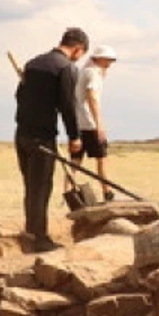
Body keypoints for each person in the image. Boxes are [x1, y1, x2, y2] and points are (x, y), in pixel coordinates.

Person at [14, 27, 88, 252]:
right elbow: (68, 105)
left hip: (22, 133)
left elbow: (19, 95)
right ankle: (39, 238)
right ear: (77, 49)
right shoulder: (65, 68)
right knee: (41, 187)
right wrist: (74, 136)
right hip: (43, 136)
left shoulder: (33, 63)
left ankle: (31, 231)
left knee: (31, 185)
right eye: (81, 55)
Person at [71, 44, 118, 200]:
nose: (109, 64)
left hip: (77, 122)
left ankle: (69, 190)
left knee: (75, 160)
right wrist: (99, 125)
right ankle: (107, 191)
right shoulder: (93, 74)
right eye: (107, 60)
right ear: (99, 59)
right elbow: (92, 97)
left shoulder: (83, 71)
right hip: (89, 123)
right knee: (102, 158)